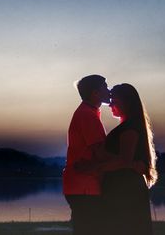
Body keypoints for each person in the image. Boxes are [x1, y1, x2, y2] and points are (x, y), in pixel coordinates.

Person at [99, 83, 157, 235]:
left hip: (124, 189)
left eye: (114, 101)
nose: (110, 104)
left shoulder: (129, 128)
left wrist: (93, 167)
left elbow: (124, 161)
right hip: (125, 188)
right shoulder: (130, 125)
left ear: (127, 102)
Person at [62, 74, 110, 235]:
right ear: (95, 93)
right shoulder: (87, 115)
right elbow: (101, 152)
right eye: (105, 87)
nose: (109, 91)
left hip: (80, 185)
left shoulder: (90, 112)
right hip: (84, 186)